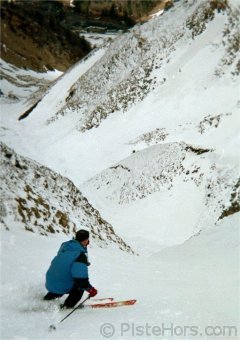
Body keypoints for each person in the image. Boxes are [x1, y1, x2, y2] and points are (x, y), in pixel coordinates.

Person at [44, 229, 97, 308]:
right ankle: (67, 307)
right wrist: (90, 289)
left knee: (63, 280)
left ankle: (46, 300)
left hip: (50, 282)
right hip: (61, 284)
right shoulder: (79, 255)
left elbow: (66, 262)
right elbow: (80, 278)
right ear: (86, 240)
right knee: (79, 288)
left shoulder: (65, 247)